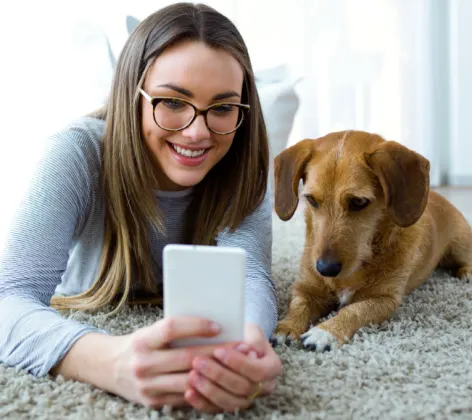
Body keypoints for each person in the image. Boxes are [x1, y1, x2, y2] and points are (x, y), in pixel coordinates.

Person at [0, 2, 282, 414]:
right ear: (132, 95)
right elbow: (10, 297)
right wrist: (110, 361)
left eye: (222, 108)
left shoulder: (243, 160)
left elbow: (252, 275)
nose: (197, 131)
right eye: (171, 102)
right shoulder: (76, 152)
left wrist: (248, 344)